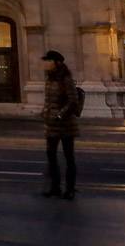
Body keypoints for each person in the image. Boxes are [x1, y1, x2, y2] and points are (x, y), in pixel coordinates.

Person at [41, 50, 79, 200]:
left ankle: (70, 189)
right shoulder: (50, 79)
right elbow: (49, 100)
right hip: (51, 123)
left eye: (48, 61)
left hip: (66, 124)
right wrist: (44, 111)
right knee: (51, 155)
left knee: (69, 156)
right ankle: (55, 187)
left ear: (57, 63)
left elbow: (73, 101)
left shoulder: (66, 79)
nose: (45, 63)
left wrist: (60, 115)